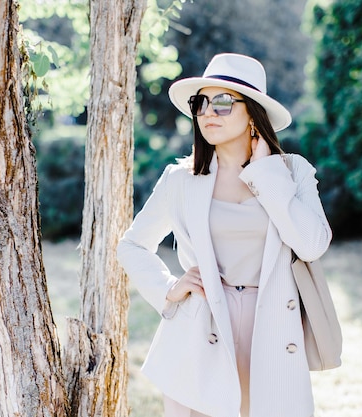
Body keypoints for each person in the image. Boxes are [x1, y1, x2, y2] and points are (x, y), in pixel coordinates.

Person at [117, 53, 332, 417]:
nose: (207, 113)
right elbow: (132, 245)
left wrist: (266, 174)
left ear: (253, 114)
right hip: (201, 326)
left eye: (222, 103)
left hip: (272, 327)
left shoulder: (292, 171)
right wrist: (169, 288)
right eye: (200, 103)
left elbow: (312, 245)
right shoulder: (181, 179)